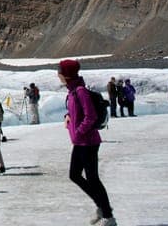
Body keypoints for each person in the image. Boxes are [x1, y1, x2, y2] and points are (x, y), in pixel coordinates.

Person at [59, 59, 116, 226]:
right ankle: (102, 207)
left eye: (60, 71)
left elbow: (90, 116)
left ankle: (108, 215)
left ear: (67, 74)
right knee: (75, 175)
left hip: (88, 142)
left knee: (93, 179)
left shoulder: (80, 91)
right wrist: (68, 116)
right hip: (80, 142)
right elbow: (76, 112)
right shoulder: (72, 91)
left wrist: (79, 131)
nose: (58, 74)